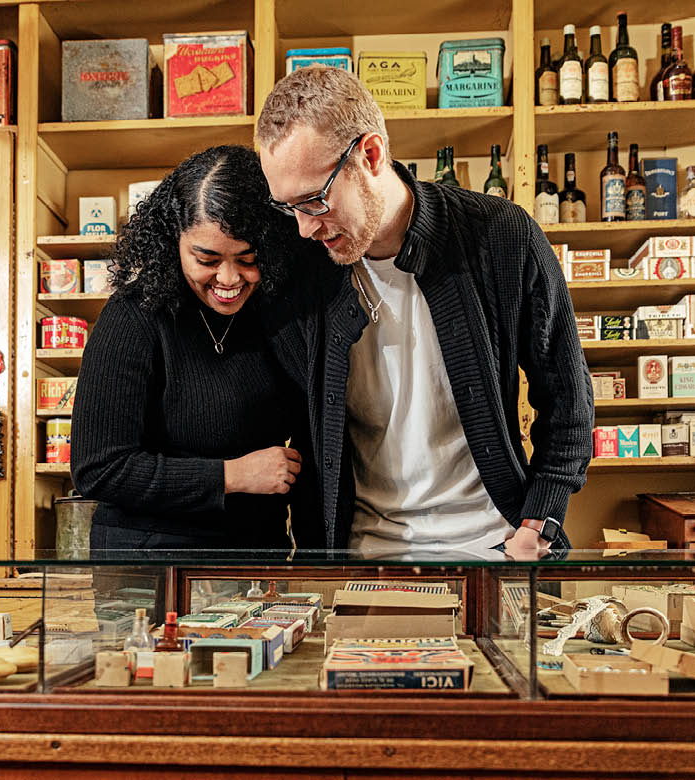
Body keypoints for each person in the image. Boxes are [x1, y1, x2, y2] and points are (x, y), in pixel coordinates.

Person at [255, 66, 594, 558]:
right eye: (291, 208)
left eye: (314, 201)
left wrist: (538, 523)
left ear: (370, 155)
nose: (306, 229)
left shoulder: (501, 236)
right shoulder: (304, 269)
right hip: (361, 558)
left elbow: (569, 399)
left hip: (495, 549)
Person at [70, 145, 318, 552]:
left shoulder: (280, 316)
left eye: (248, 258)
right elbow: (99, 468)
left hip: (255, 556)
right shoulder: (134, 315)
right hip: (147, 560)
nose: (229, 278)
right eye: (207, 258)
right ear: (173, 242)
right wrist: (232, 475)